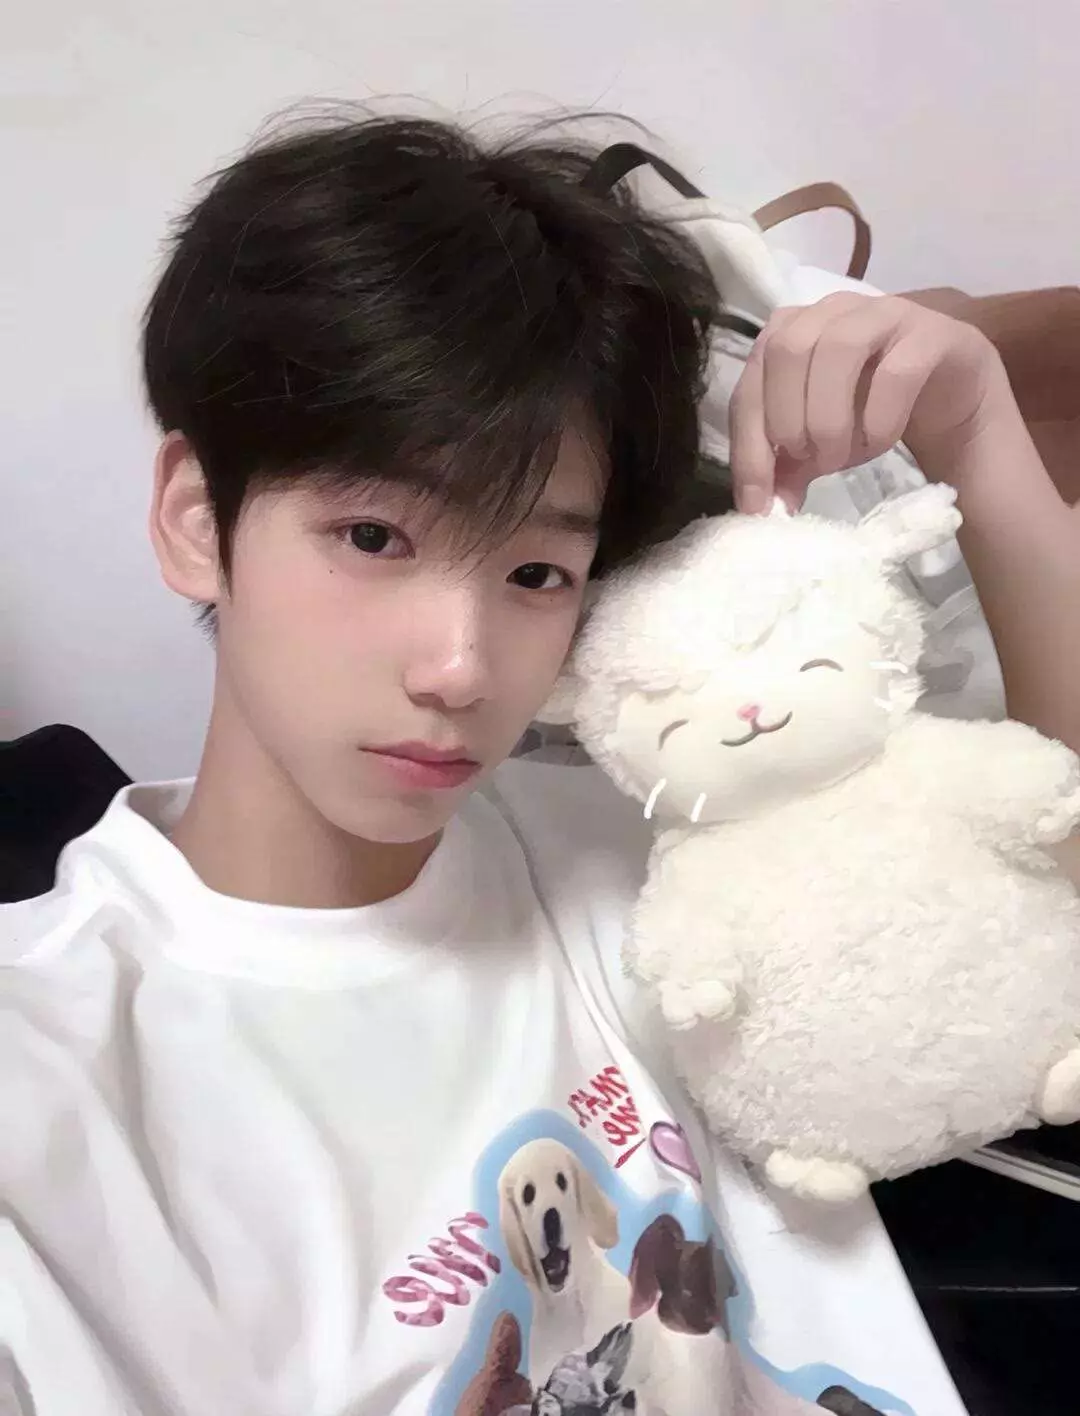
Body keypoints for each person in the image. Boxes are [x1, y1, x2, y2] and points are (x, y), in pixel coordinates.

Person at [2, 113, 1077, 1416]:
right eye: (375, 537)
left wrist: (982, 441)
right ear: (194, 520)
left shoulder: (639, 843)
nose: (461, 668)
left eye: (534, 573)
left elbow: (1044, 873)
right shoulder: (54, 1079)